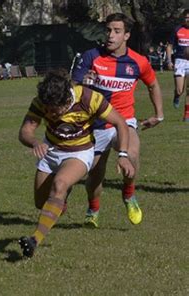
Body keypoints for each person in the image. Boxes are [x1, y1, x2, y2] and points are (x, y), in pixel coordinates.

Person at [18, 69, 134, 258]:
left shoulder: (89, 99)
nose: (50, 113)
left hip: (80, 152)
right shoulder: (42, 101)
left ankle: (34, 240)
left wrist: (123, 154)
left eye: (54, 110)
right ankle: (60, 201)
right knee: (41, 202)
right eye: (47, 109)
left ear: (66, 100)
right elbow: (24, 132)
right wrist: (35, 142)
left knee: (60, 184)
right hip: (51, 150)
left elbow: (120, 123)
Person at [72, 13, 164, 228]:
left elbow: (153, 85)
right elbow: (73, 85)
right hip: (96, 125)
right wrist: (83, 83)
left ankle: (129, 195)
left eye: (116, 31)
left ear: (127, 36)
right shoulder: (91, 56)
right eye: (108, 30)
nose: (110, 35)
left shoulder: (138, 61)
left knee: (131, 153)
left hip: (124, 120)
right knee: (95, 173)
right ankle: (93, 210)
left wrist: (159, 114)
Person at [166, 8, 189, 121]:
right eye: (186, 18)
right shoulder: (177, 30)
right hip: (180, 61)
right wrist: (169, 61)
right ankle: (177, 96)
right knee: (180, 90)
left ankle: (187, 114)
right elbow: (169, 46)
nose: (188, 20)